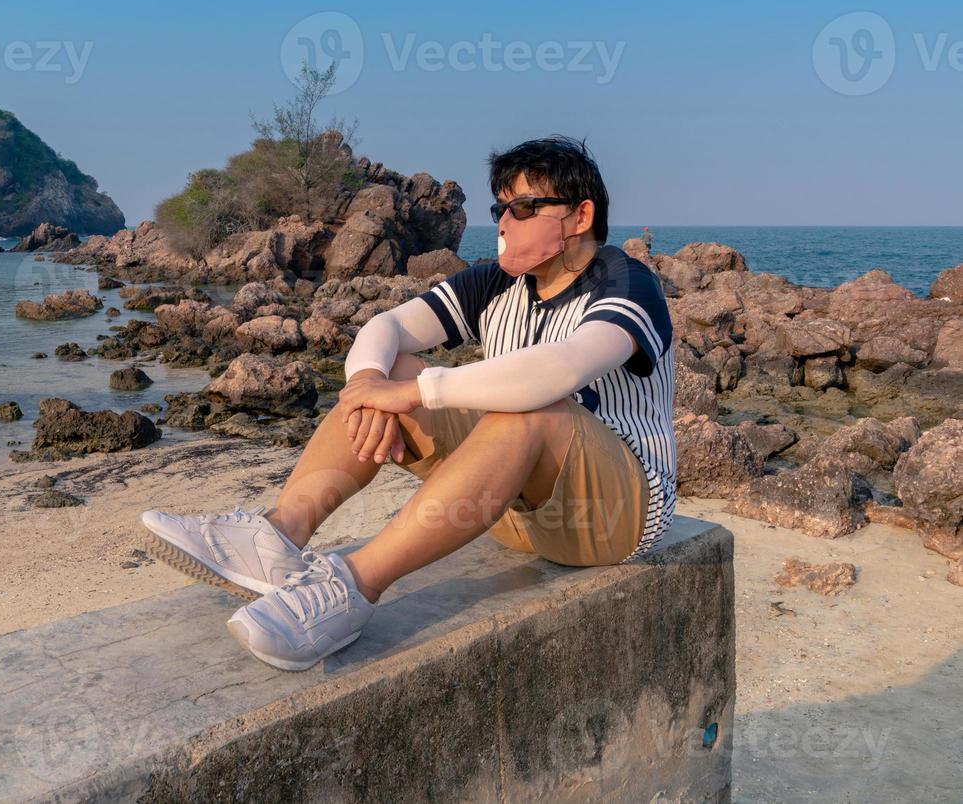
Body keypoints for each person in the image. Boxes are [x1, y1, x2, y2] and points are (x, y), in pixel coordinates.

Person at [139, 136, 676, 672]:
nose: (504, 222)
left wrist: (418, 392)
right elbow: (387, 326)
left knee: (533, 410)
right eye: (500, 208)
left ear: (580, 216)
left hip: (614, 518)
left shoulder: (625, 281)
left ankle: (351, 588)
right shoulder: (496, 282)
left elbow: (557, 371)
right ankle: (279, 535)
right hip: (514, 514)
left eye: (523, 207)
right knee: (389, 369)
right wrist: (371, 387)